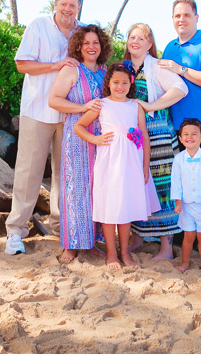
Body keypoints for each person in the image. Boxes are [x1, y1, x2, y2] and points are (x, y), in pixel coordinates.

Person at [5, 0, 83, 256]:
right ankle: (15, 231)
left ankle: (62, 228)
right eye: (63, 4)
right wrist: (56, 65)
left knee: (65, 173)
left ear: (78, 8)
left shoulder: (82, 32)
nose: (67, 10)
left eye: (72, 6)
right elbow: (22, 64)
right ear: (56, 4)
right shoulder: (39, 26)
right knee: (28, 173)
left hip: (70, 114)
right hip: (37, 110)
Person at [159, 0, 201, 264]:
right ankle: (182, 236)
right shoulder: (169, 47)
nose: (181, 20)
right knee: (183, 185)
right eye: (177, 15)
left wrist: (182, 70)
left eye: (187, 15)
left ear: (196, 18)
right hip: (177, 129)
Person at [74, 63, 160, 269]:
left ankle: (124, 252)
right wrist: (95, 140)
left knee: (126, 206)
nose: (120, 87)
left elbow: (144, 137)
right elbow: (79, 126)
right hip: (110, 162)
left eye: (124, 83)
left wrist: (145, 165)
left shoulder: (135, 106)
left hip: (132, 162)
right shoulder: (101, 104)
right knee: (110, 205)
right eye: (115, 83)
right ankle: (111, 254)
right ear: (109, 83)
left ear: (130, 84)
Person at [123, 23, 188, 261]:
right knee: (137, 183)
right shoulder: (125, 67)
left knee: (161, 186)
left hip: (157, 133)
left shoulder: (155, 66)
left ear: (150, 44)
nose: (136, 41)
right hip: (133, 136)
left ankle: (166, 248)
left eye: (142, 38)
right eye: (132, 37)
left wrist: (150, 106)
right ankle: (138, 237)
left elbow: (180, 88)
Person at [47, 24, 111, 263]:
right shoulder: (72, 70)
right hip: (76, 136)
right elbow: (54, 100)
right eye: (86, 43)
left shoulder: (106, 72)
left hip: (101, 139)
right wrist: (82, 107)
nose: (91, 47)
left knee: (97, 190)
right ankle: (71, 245)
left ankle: (92, 243)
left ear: (102, 45)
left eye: (95, 43)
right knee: (74, 190)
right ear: (79, 47)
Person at [170, 118, 201, 274]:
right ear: (180, 138)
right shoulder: (178, 159)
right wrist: (178, 203)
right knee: (188, 235)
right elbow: (176, 183)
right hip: (186, 205)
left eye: (194, 134)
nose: (189, 137)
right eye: (186, 134)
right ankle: (184, 262)